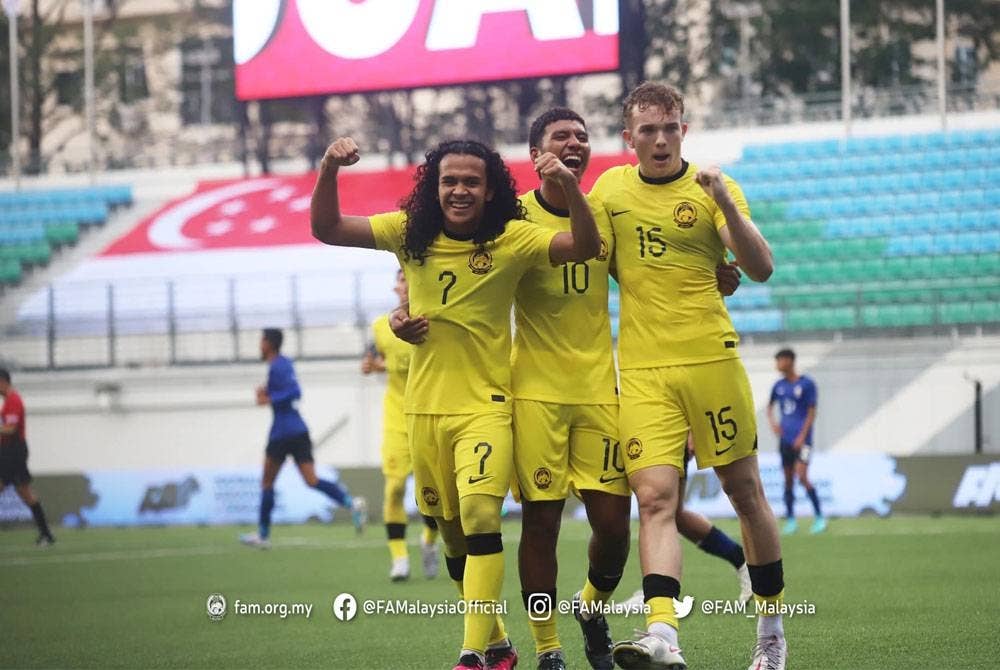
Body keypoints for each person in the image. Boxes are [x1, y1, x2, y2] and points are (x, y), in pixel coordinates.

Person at [310, 136, 599, 670]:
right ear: (434, 187)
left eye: (471, 181)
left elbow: (584, 246)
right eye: (449, 181)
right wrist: (329, 167)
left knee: (481, 511)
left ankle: (470, 654)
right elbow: (327, 228)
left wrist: (568, 187)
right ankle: (499, 644)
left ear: (490, 191)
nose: (459, 190)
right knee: (451, 535)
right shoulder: (407, 233)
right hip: (423, 410)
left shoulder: (513, 239)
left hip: (487, 406)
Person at [590, 82, 786, 670]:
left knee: (745, 494)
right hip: (645, 370)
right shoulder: (610, 190)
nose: (658, 139)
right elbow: (580, 245)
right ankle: (664, 636)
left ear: (683, 130)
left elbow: (760, 267)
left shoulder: (709, 189)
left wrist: (723, 201)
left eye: (669, 127)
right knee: (654, 500)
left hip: (710, 360)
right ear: (629, 138)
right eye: (646, 130)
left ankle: (772, 635)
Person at [240, 328, 367, 548]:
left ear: (269, 344)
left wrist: (269, 397)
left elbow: (295, 392)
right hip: (298, 431)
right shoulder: (282, 364)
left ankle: (263, 535)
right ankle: (351, 503)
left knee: (267, 482)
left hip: (282, 433)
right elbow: (289, 393)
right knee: (311, 480)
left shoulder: (278, 365)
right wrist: (269, 396)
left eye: (261, 341)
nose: (259, 345)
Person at [362, 268, 441, 581]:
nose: (405, 284)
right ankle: (399, 559)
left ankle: (429, 542)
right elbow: (371, 360)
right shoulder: (381, 328)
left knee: (434, 495)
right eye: (402, 279)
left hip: (431, 413)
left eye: (410, 278)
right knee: (394, 488)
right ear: (396, 286)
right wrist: (370, 365)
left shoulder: (434, 320)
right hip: (396, 417)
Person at [621, 433, 753, 611]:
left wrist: (692, 432)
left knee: (661, 513)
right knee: (672, 515)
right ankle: (741, 561)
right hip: (639, 430)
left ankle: (655, 592)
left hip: (665, 432)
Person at [767, 348, 824, 535]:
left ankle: (819, 517)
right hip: (785, 441)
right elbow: (769, 408)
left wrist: (802, 436)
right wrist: (774, 425)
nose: (777, 364)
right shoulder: (778, 386)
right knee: (788, 480)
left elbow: (811, 412)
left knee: (802, 475)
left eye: (779, 360)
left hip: (803, 441)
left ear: (789, 361)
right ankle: (791, 519)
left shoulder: (807, 384)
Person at [0, 368, 56, 546]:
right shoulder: (8, 402)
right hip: (10, 451)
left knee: (23, 492)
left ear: (3, 381)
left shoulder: (14, 401)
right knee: (25, 493)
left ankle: (46, 534)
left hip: (13, 451)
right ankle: (46, 534)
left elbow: (10, 429)